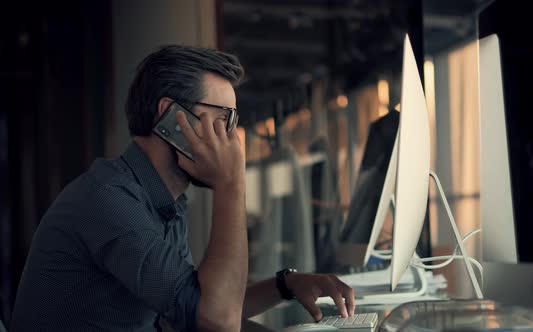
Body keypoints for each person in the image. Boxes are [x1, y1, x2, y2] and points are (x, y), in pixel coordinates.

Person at [11, 46, 355, 332]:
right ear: (171, 117)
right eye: (223, 120)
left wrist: (287, 285)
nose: (233, 140)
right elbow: (217, 320)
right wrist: (231, 183)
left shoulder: (161, 201)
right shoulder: (109, 200)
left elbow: (202, 303)